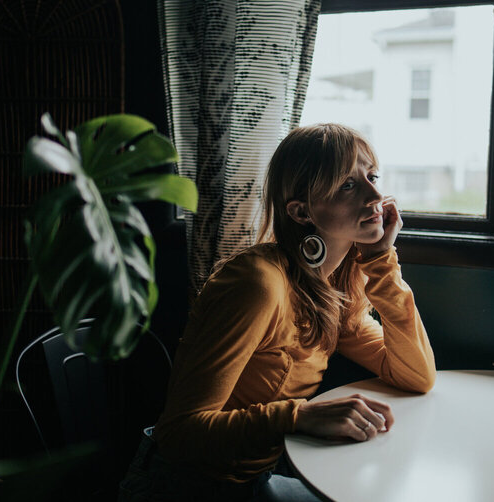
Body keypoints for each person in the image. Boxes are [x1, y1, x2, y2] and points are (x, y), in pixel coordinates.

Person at [119, 123, 436, 501]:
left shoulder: (336, 285)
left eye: (372, 176)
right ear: (302, 211)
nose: (374, 195)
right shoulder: (258, 284)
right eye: (348, 185)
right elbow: (179, 435)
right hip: (188, 487)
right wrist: (298, 417)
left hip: (260, 476)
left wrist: (381, 261)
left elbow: (417, 376)